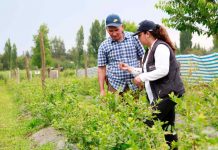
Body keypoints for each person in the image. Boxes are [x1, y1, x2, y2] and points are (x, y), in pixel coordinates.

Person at [119, 20, 185, 149]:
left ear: (147, 34)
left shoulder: (160, 47)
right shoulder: (148, 51)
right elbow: (147, 71)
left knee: (147, 122)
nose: (139, 38)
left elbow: (162, 70)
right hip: (162, 96)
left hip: (168, 95)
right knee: (168, 127)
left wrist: (142, 78)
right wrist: (130, 69)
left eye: (139, 35)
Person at [98, 14, 144, 96]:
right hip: (115, 85)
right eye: (110, 31)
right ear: (106, 29)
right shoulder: (104, 46)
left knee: (136, 107)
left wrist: (143, 76)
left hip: (135, 82)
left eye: (116, 30)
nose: (114, 33)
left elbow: (143, 58)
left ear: (122, 27)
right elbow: (101, 68)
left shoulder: (134, 38)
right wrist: (102, 90)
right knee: (115, 108)